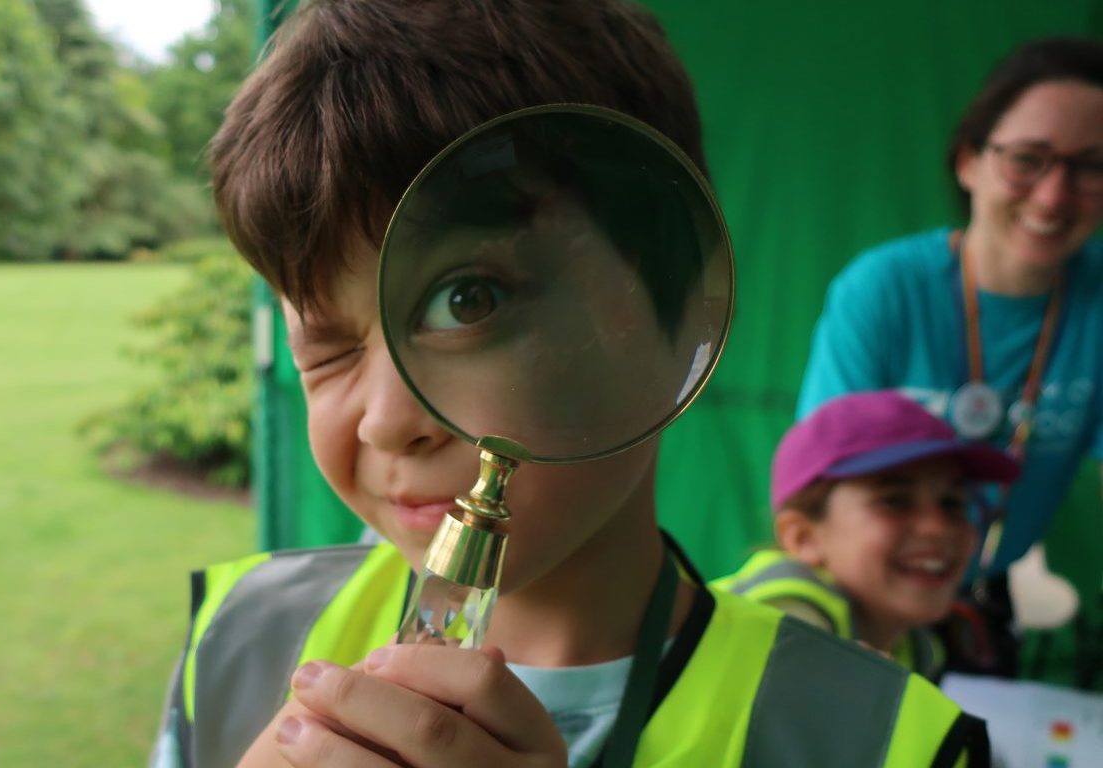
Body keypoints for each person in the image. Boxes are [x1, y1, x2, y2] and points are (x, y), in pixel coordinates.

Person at [150, 1, 989, 766]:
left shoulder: (882, 741)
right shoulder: (238, 636)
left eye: (467, 300)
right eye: (325, 347)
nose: (384, 421)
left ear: (680, 309)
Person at [797, 37, 1103, 675]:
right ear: (968, 161)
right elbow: (821, 488)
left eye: (1091, 167)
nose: (1053, 197)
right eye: (1027, 160)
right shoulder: (883, 290)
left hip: (980, 611)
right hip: (864, 606)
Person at [715, 391, 1020, 681]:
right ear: (803, 538)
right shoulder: (788, 607)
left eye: (953, 504)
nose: (937, 527)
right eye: (895, 501)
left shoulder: (914, 648)